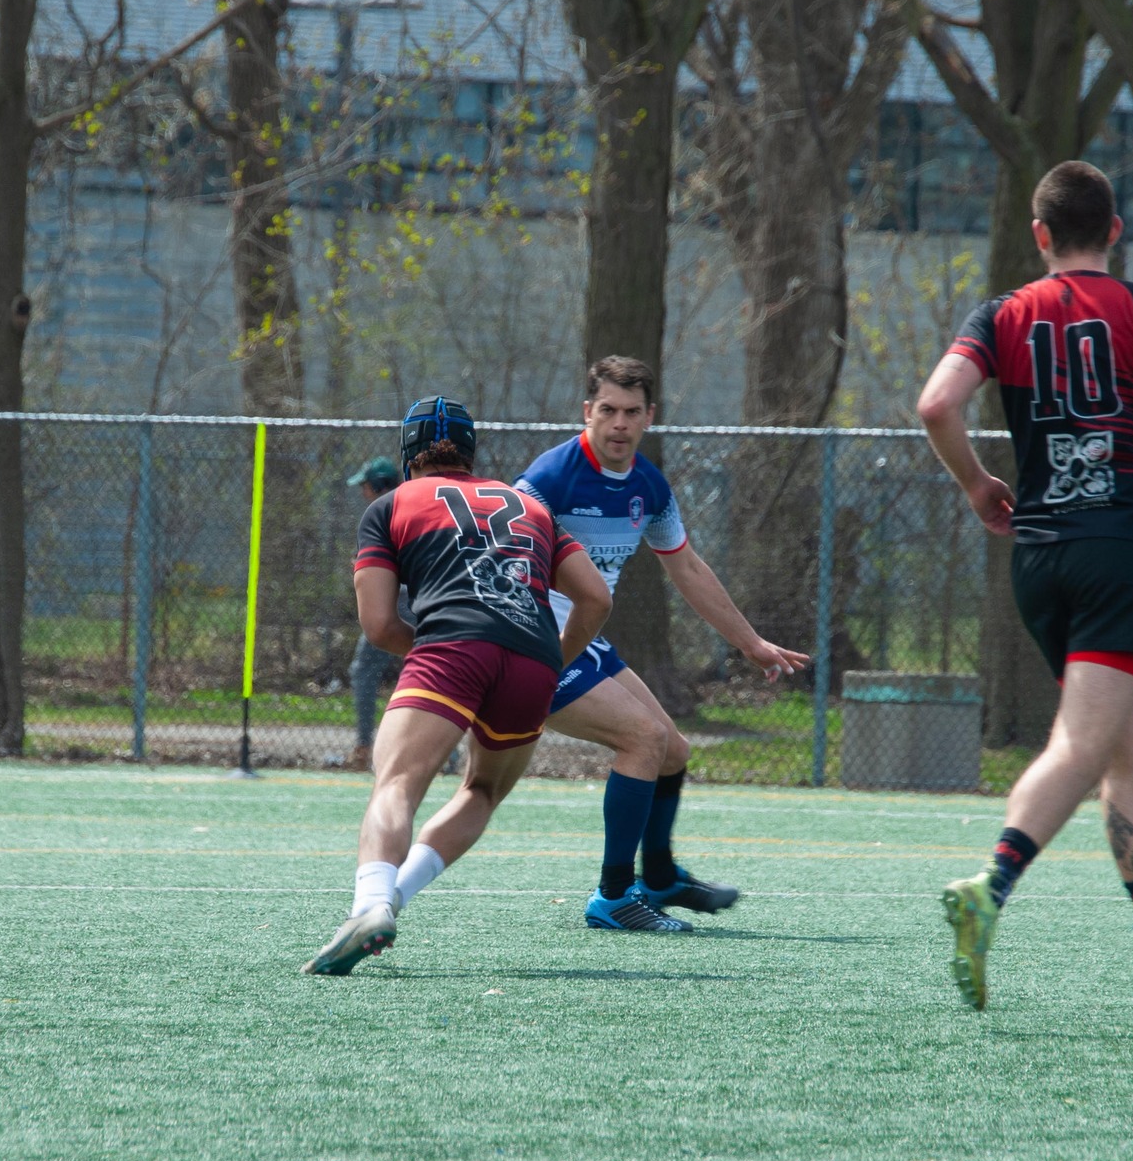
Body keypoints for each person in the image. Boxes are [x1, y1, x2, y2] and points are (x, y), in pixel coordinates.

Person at [916, 160, 1133, 1016]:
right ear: (1115, 230)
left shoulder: (1002, 313)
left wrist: (977, 483)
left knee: (1128, 763)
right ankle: (988, 886)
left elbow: (936, 406)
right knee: (1077, 748)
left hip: (1038, 557)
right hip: (1118, 552)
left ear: (1039, 236)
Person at [303, 397, 610, 975]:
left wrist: (434, 651)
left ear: (408, 453)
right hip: (535, 657)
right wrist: (549, 660)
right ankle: (394, 900)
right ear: (472, 453)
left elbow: (379, 625)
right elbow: (596, 599)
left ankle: (370, 904)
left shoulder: (392, 504)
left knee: (396, 782)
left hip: (450, 646)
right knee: (482, 791)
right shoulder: (531, 507)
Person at [513, 357, 808, 933]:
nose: (619, 423)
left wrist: (750, 643)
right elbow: (502, 554)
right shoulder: (550, 478)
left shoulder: (648, 484)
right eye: (607, 411)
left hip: (583, 640)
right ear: (587, 412)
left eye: (631, 412)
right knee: (643, 740)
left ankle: (661, 876)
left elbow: (689, 568)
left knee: (671, 749)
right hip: (534, 643)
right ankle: (613, 896)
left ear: (650, 416)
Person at [345, 455, 404, 769]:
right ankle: (446, 754)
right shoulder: (415, 502)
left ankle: (364, 747)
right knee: (434, 671)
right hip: (426, 601)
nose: (362, 492)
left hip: (396, 601)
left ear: (377, 486)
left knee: (364, 670)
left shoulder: (378, 511)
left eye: (365, 486)